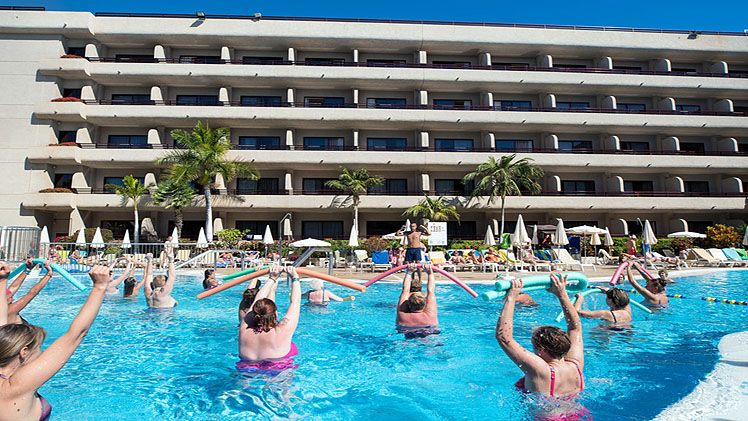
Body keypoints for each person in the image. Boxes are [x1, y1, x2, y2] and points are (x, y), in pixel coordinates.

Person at [0, 264, 109, 421]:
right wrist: (99, 287)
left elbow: (2, 324)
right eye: (38, 348)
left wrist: (3, 280)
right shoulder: (18, 385)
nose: (42, 352)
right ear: (24, 352)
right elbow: (76, 335)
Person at [496, 273, 585, 401]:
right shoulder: (575, 365)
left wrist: (511, 297)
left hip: (549, 413)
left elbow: (504, 337)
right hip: (579, 411)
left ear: (541, 350)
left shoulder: (541, 370)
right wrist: (562, 294)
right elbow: (575, 328)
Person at [236, 265, 301, 373]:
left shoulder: (244, 327)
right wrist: (295, 278)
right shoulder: (283, 330)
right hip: (277, 368)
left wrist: (272, 278)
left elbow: (257, 300)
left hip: (246, 367)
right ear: (275, 314)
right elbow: (295, 302)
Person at [396, 263, 438, 337]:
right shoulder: (430, 315)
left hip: (406, 333)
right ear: (425, 304)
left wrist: (409, 272)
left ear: (408, 304)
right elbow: (431, 291)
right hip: (429, 333)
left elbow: (405, 290)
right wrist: (430, 273)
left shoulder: (402, 315)